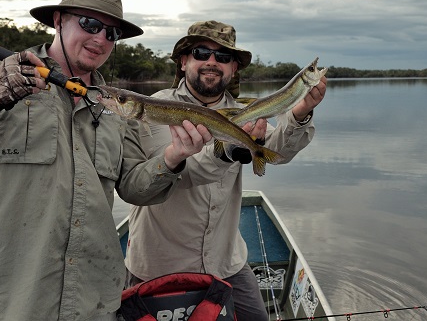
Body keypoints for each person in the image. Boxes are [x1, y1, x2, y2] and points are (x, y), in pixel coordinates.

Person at [0, 0, 212, 321]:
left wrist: (174, 156)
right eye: (90, 24)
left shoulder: (115, 104)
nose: (101, 38)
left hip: (95, 302)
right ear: (58, 20)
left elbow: (132, 187)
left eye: (112, 33)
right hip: (12, 302)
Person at [124, 20, 327, 320]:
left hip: (226, 262)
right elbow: (180, 175)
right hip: (159, 265)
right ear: (183, 61)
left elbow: (275, 152)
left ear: (233, 69)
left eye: (223, 57)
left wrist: (298, 113)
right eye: (201, 52)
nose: (212, 62)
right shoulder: (156, 108)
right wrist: (230, 149)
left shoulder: (242, 111)